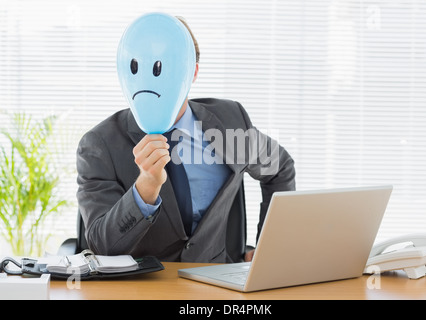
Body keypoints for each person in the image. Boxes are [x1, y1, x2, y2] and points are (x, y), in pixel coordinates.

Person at [76, 16, 296, 263]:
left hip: (217, 285)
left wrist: (269, 247)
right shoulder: (99, 145)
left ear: (193, 72)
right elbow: (102, 247)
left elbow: (280, 168)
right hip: (143, 288)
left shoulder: (230, 122)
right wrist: (145, 188)